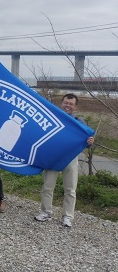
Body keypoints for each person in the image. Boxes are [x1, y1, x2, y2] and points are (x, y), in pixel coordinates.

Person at [35, 93, 95, 227]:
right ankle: (46, 212)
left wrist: (90, 141)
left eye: (71, 104)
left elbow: (88, 142)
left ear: (75, 107)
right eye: (66, 103)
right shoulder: (54, 118)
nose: (68, 106)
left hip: (71, 159)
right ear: (61, 104)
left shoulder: (80, 122)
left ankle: (67, 216)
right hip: (53, 157)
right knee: (47, 186)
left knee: (70, 189)